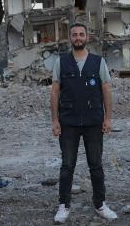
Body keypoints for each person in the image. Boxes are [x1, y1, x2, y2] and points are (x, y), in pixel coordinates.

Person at [50, 23, 117, 223]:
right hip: (68, 122)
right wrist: (55, 120)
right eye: (74, 35)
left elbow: (106, 89)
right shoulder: (61, 62)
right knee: (67, 166)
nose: (78, 37)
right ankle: (64, 205)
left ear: (87, 37)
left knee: (96, 165)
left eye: (81, 34)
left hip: (93, 122)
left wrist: (107, 118)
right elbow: (55, 92)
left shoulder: (98, 62)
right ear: (69, 38)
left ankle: (100, 204)